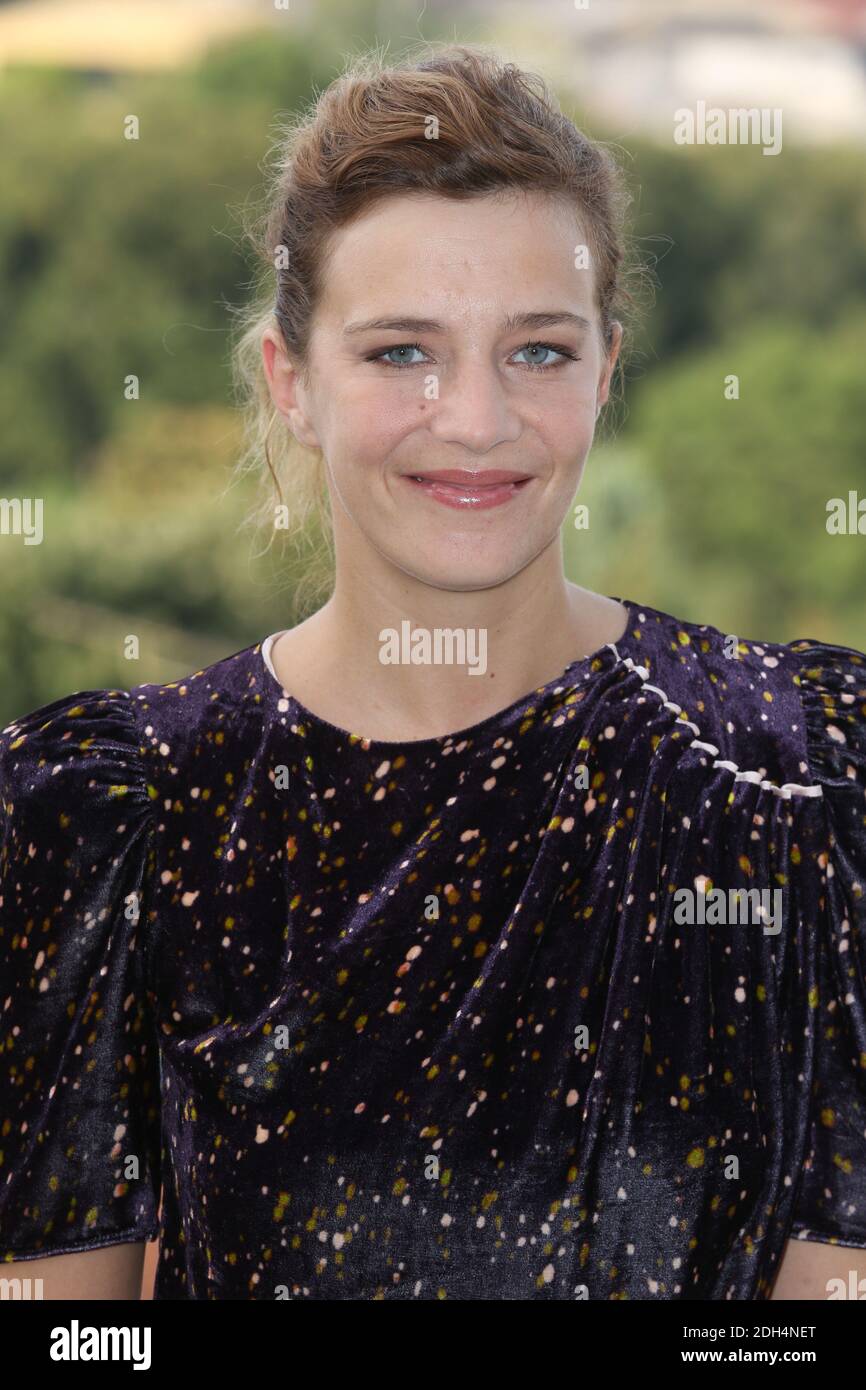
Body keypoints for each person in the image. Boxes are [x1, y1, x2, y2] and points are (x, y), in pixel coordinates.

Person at [1, 42, 864, 1302]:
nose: (473, 419)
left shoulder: (797, 773)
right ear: (290, 383)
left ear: (605, 369)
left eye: (538, 351)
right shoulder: (108, 814)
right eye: (401, 351)